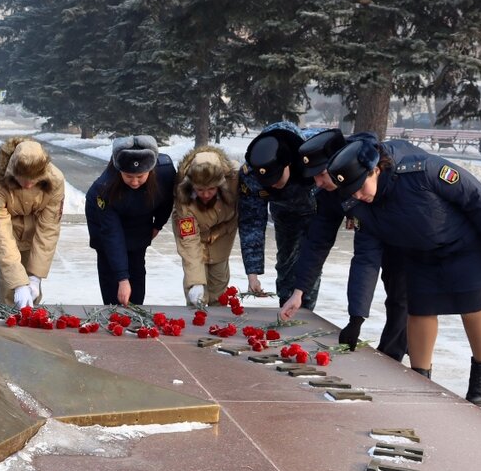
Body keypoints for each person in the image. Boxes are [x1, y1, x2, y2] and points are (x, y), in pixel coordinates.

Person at [281, 134, 481, 406]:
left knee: (473, 304)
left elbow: (477, 199)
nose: (357, 195)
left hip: (463, 243)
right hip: (417, 251)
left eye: (360, 187)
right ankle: (419, 377)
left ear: (375, 169)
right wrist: (357, 316)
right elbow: (365, 259)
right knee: (420, 310)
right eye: (351, 191)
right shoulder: (360, 205)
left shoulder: (422, 171)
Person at [298, 128, 408, 361]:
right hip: (380, 230)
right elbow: (317, 241)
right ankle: (395, 352)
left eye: (321, 174)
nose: (317, 182)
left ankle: (399, 358)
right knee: (395, 285)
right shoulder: (330, 191)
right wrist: (299, 291)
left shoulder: (367, 179)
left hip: (409, 229)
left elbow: (366, 256)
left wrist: (356, 319)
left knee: (402, 289)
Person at [84, 135, 176, 305]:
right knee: (113, 276)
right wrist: (122, 279)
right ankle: (113, 312)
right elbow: (112, 235)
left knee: (136, 270)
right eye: (128, 176)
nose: (134, 181)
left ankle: (135, 313)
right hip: (104, 223)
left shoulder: (165, 172)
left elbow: (166, 201)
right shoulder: (104, 187)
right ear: (119, 171)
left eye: (140, 176)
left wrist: (158, 224)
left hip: (140, 220)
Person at [238, 121, 321, 308]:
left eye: (276, 179)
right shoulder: (250, 173)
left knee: (309, 262)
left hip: (315, 206)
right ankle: (286, 304)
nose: (273, 185)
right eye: (267, 182)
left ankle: (305, 310)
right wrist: (252, 274)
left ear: (287, 164)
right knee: (286, 262)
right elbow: (251, 222)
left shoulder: (310, 159)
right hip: (284, 212)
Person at [0, 137, 66, 308]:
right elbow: (0, 233)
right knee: (11, 283)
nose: (28, 185)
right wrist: (18, 284)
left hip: (34, 230)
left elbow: (48, 229)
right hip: (7, 229)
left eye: (33, 180)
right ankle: (8, 319)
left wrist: (36, 277)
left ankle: (31, 320)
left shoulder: (55, 180)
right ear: (13, 171)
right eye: (23, 179)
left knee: (32, 288)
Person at [171, 143, 239, 307]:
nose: (206, 195)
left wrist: (220, 230)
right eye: (200, 190)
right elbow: (189, 240)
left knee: (219, 292)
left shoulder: (233, 183)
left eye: (211, 189)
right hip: (195, 238)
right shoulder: (184, 199)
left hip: (222, 239)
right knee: (197, 297)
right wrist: (195, 283)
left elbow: (237, 215)